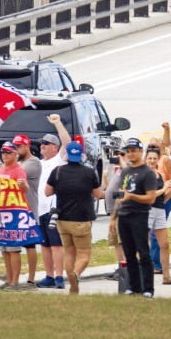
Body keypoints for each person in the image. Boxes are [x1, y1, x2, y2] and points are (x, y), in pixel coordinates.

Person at [45, 141, 104, 295]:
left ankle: (72, 284)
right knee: (84, 254)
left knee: (69, 252)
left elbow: (47, 192)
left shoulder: (57, 172)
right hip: (82, 220)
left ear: (67, 156)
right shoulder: (89, 172)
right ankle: (75, 275)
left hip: (63, 219)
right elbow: (98, 194)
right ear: (81, 155)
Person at [0, 133, 42, 287]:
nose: (16, 150)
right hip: (7, 211)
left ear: (26, 146)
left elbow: (19, 179)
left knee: (28, 245)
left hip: (26, 209)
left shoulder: (33, 163)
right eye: (14, 147)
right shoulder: (7, 166)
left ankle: (30, 278)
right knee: (6, 246)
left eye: (17, 147)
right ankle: (10, 277)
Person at [115, 138, 161, 298]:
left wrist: (132, 196)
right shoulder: (126, 171)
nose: (131, 153)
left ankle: (148, 288)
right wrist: (115, 215)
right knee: (128, 253)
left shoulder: (147, 172)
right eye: (128, 151)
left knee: (143, 252)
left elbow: (151, 198)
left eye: (134, 150)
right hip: (124, 214)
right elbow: (122, 193)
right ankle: (133, 286)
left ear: (141, 151)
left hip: (139, 216)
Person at [33, 116, 71, 289]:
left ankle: (59, 276)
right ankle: (48, 275)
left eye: (46, 144)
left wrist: (57, 123)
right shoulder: (39, 163)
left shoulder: (59, 160)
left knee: (56, 244)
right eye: (42, 143)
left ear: (55, 147)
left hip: (53, 209)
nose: (42, 146)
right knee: (45, 245)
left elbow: (67, 142)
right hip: (39, 209)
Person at [0, 142, 29, 291]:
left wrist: (23, 185)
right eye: (3, 152)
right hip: (1, 213)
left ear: (15, 154)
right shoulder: (1, 169)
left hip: (13, 212)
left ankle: (15, 281)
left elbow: (25, 188)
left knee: (13, 249)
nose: (5, 155)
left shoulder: (19, 170)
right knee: (4, 248)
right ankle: (8, 279)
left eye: (8, 152)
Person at [144, 146, 171, 286]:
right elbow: (150, 196)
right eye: (149, 158)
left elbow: (161, 198)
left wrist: (169, 190)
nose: (152, 161)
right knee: (143, 244)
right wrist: (164, 188)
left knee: (164, 244)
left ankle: (166, 276)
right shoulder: (143, 174)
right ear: (145, 159)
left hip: (159, 210)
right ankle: (142, 275)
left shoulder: (159, 175)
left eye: (154, 158)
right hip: (147, 210)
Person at [148, 122, 171, 274]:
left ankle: (157, 265)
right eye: (150, 146)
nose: (152, 148)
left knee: (156, 233)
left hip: (165, 199)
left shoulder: (165, 160)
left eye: (155, 145)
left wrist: (167, 129)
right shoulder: (149, 161)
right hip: (152, 201)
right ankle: (151, 262)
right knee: (149, 233)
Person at [102, 147, 127, 281]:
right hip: (112, 211)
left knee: (122, 241)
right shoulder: (117, 172)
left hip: (120, 211)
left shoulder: (127, 171)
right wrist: (106, 177)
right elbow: (108, 190)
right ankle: (120, 266)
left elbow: (122, 192)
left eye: (122, 154)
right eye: (117, 154)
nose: (118, 157)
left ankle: (125, 268)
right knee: (115, 241)